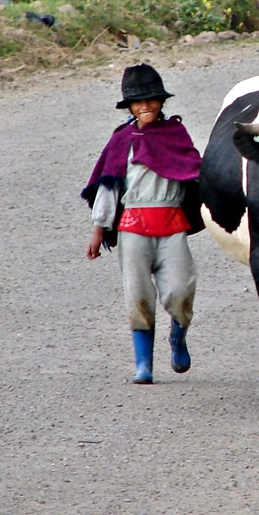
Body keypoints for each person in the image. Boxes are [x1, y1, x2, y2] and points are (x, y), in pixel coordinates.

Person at [82, 64, 204, 384]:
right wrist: (98, 231)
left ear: (162, 102)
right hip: (133, 225)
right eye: (138, 102)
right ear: (130, 106)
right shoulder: (123, 140)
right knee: (137, 295)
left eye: (151, 100)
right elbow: (108, 189)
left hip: (172, 222)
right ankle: (144, 365)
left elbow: (197, 175)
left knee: (181, 289)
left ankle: (178, 337)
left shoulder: (176, 135)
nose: (145, 106)